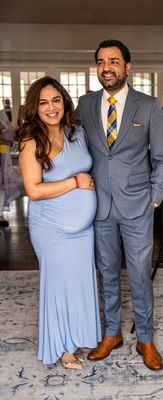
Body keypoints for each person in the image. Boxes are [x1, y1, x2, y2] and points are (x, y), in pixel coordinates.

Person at [76, 39, 163, 371]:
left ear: (127, 67)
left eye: (114, 61)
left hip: (137, 206)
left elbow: (162, 158)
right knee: (106, 274)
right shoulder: (85, 105)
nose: (107, 67)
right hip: (98, 205)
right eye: (101, 61)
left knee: (139, 275)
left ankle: (145, 338)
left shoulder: (148, 106)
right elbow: (77, 151)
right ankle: (111, 333)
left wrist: (155, 198)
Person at [18, 76, 101, 369]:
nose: (51, 107)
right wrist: (75, 182)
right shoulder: (31, 141)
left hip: (83, 231)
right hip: (51, 229)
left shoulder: (77, 132)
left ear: (64, 102)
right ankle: (63, 348)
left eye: (56, 100)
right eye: (43, 102)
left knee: (78, 285)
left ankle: (75, 337)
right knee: (58, 287)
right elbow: (34, 190)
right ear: (35, 108)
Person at [0, 109, 20, 227]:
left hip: (3, 155)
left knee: (3, 185)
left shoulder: (2, 115)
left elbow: (9, 136)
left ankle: (0, 213)